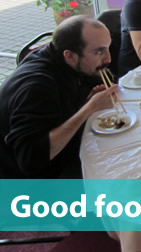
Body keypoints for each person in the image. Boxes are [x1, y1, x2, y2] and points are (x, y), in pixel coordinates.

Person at [0, 16, 119, 178]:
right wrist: (89, 108)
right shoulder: (37, 88)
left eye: (108, 48)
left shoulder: (65, 59)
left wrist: (91, 98)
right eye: (99, 51)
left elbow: (105, 80)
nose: (108, 58)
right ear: (69, 55)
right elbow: (31, 160)